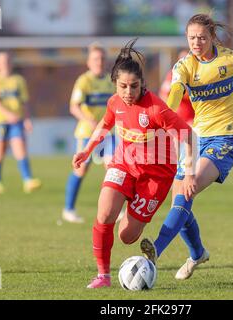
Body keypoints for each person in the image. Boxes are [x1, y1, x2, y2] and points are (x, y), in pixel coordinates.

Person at [140, 13, 233, 280]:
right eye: (192, 38)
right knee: (180, 203)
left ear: (212, 37)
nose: (196, 42)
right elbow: (175, 92)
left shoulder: (231, 59)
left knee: (184, 193)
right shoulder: (183, 66)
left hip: (225, 140)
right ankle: (198, 255)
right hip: (195, 140)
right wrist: (165, 118)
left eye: (202, 38)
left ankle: (155, 252)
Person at [72, 39, 196, 289]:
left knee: (127, 236)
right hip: (125, 164)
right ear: (115, 84)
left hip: (156, 175)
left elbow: (188, 134)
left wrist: (190, 172)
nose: (128, 92)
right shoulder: (114, 102)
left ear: (142, 84)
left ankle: (177, 218)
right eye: (122, 86)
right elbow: (104, 125)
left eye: (134, 86)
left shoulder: (155, 109)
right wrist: (87, 150)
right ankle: (103, 276)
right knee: (105, 213)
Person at [62, 43, 116, 224]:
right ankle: (68, 209)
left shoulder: (111, 81)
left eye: (101, 58)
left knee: (113, 169)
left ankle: (115, 209)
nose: (99, 62)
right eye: (95, 59)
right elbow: (74, 107)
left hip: (108, 133)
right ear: (88, 62)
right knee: (81, 169)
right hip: (87, 133)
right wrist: (90, 121)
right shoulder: (83, 81)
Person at [0, 52, 42, 194]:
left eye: (8, 61)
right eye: (2, 62)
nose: (5, 64)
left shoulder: (18, 80)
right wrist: (8, 114)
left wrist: (27, 118)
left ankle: (28, 180)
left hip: (16, 121)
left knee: (20, 149)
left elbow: (24, 101)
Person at [159, 49, 194, 126]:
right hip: (177, 118)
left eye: (187, 59)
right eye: (182, 60)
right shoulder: (173, 74)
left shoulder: (196, 74)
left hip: (193, 120)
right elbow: (164, 93)